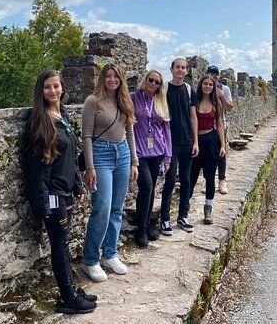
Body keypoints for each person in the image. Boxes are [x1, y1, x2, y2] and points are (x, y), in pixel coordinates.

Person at [23, 70, 97, 314]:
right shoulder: (40, 120)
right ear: (40, 91)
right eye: (47, 87)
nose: (52, 91)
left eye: (56, 86)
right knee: (60, 246)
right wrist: (42, 204)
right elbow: (37, 167)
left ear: (63, 89)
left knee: (63, 244)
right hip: (53, 196)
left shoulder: (61, 115)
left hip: (65, 192)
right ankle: (67, 298)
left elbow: (69, 158)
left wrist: (76, 185)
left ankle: (72, 291)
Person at [81, 64, 139, 282]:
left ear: (121, 79)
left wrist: (134, 160)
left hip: (122, 153)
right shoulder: (93, 101)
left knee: (117, 208)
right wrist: (90, 166)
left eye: (116, 76)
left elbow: (130, 131)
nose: (112, 79)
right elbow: (86, 136)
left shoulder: (125, 101)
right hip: (101, 154)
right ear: (102, 79)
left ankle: (110, 254)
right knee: (102, 208)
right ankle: (90, 260)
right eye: (108, 76)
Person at [131, 70, 172, 247]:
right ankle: (140, 228)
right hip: (140, 153)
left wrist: (168, 155)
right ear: (145, 79)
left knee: (152, 188)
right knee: (146, 187)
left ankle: (147, 226)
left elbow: (167, 130)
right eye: (151, 80)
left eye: (157, 82)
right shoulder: (133, 97)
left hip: (157, 152)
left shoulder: (161, 101)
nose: (154, 84)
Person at [160, 58, 199, 235]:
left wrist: (196, 141)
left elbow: (193, 117)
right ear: (171, 69)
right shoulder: (164, 88)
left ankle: (183, 216)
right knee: (169, 181)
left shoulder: (189, 90)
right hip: (170, 143)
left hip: (187, 141)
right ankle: (165, 220)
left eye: (183, 68)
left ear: (187, 70)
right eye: (178, 67)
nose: (180, 70)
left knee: (186, 180)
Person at [188, 75, 226, 224]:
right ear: (201, 85)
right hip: (196, 143)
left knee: (210, 177)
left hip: (211, 142)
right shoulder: (194, 102)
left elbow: (220, 125)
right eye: (205, 84)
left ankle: (208, 209)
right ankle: (185, 207)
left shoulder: (216, 104)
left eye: (210, 84)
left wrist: (223, 145)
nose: (208, 87)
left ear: (213, 86)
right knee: (191, 176)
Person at [205, 65, 233, 195]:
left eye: (215, 74)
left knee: (221, 154)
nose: (213, 76)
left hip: (221, 126)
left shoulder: (224, 89)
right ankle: (208, 181)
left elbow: (229, 108)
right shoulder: (204, 87)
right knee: (207, 156)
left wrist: (222, 96)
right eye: (211, 73)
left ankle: (222, 181)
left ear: (218, 76)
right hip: (205, 127)